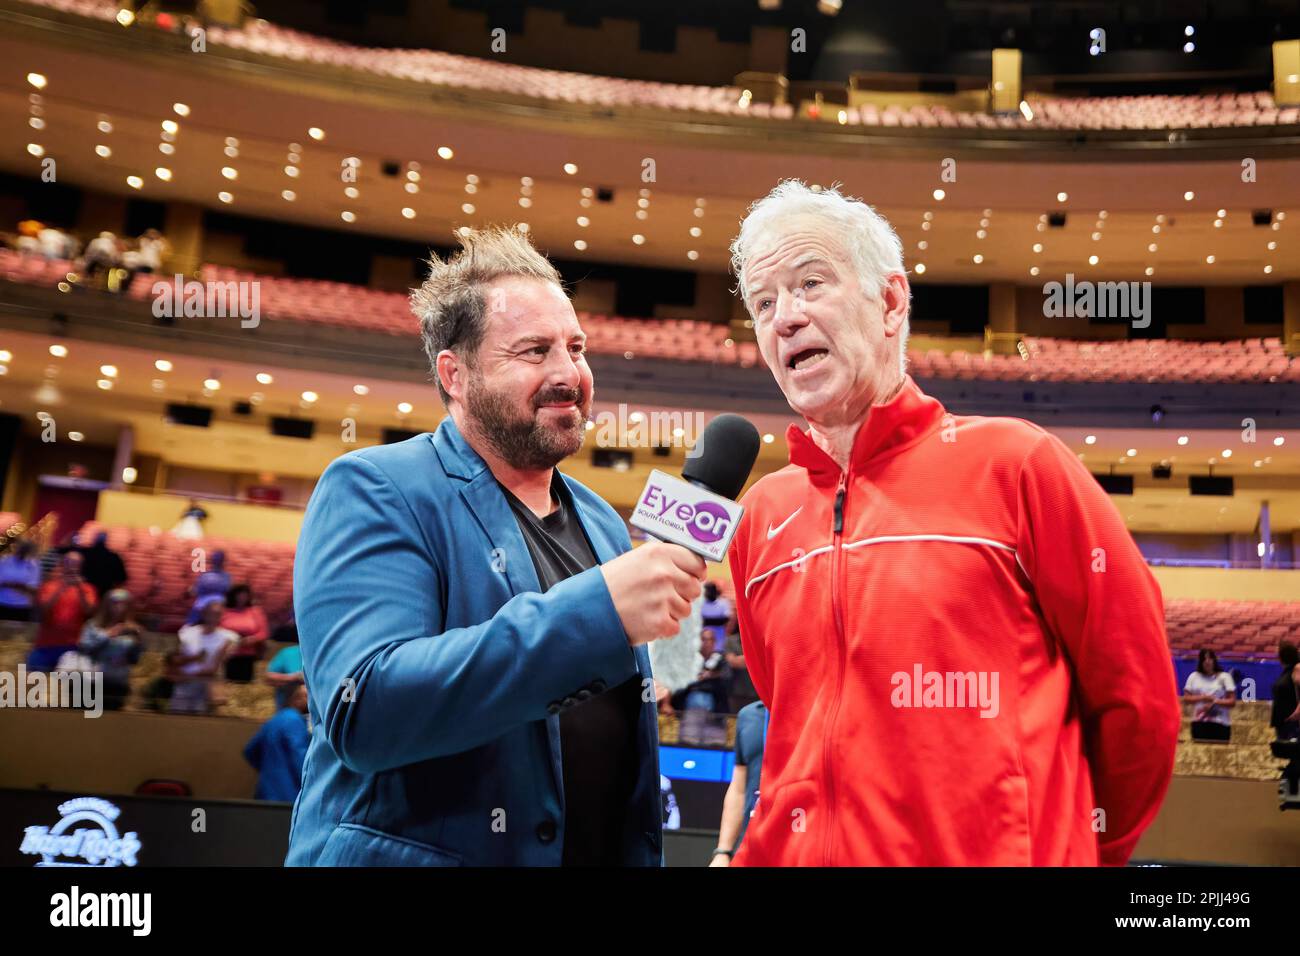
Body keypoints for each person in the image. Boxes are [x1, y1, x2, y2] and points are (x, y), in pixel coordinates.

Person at [724, 180, 1180, 866]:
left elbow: (1137, 700)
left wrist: (1083, 847)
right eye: (763, 303)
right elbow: (785, 715)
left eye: (811, 283)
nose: (784, 317)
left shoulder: (1020, 466)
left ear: (889, 301)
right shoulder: (761, 517)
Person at [287, 225, 705, 867]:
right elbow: (365, 709)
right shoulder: (375, 487)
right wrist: (598, 611)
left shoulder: (601, 522)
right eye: (534, 351)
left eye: (576, 347)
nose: (569, 374)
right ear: (455, 374)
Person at [711, 699, 767, 867]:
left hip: (795, 840)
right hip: (750, 844)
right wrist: (723, 851)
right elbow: (738, 788)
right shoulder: (749, 715)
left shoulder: (810, 712)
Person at [30, 552, 98, 672]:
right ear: (62, 564)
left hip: (73, 646)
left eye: (76, 564)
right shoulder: (48, 586)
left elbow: (89, 611)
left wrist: (80, 588)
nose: (72, 567)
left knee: (68, 684)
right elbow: (43, 609)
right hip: (45, 644)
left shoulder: (87, 588)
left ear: (80, 567)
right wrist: (61, 587)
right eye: (68, 563)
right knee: (32, 678)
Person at [244, 683, 311, 802]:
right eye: (306, 696)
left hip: (265, 792)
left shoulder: (274, 720)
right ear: (295, 698)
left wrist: (268, 769)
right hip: (288, 794)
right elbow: (300, 760)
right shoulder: (295, 721)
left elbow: (249, 751)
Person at [77, 589, 142, 711]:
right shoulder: (92, 626)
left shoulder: (132, 630)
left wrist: (138, 644)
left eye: (124, 604)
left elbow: (134, 660)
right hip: (91, 680)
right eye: (115, 603)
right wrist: (108, 635)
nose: (119, 607)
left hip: (116, 682)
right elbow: (84, 649)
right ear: (107, 604)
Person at [169, 599, 237, 715]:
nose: (214, 617)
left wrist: (186, 675)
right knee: (177, 717)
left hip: (205, 688)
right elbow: (174, 660)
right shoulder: (186, 632)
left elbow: (214, 669)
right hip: (183, 686)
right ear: (204, 614)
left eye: (218, 614)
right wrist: (194, 658)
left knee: (200, 721)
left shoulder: (229, 637)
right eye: (211, 613)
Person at [1183, 648, 1236, 742]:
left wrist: (1214, 701)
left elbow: (1232, 702)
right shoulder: (1193, 676)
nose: (1207, 662)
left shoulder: (1225, 677)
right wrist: (1203, 698)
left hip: (1221, 724)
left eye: (1210, 659)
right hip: (1199, 723)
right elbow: (1187, 699)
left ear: (1214, 660)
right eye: (1204, 659)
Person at [220, 584, 269, 682]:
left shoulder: (255, 611)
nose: (242, 598)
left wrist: (252, 639)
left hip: (248, 654)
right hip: (229, 654)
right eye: (239, 595)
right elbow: (219, 630)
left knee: (245, 683)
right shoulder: (225, 612)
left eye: (244, 595)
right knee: (228, 683)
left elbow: (263, 633)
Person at [0, 540, 42, 627]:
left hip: (22, 606)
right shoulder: (4, 561)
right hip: (2, 603)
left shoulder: (33, 565)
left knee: (17, 635)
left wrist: (15, 585)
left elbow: (34, 589)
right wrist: (14, 585)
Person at [76, 532, 128, 600]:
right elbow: (122, 577)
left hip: (86, 590)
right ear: (106, 540)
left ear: (95, 539)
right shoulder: (113, 556)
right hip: (105, 592)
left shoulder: (85, 552)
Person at [265, 625, 305, 711]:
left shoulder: (322, 656)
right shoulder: (288, 653)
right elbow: (269, 677)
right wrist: (293, 677)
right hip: (287, 704)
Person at [184, 549, 229, 624]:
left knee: (210, 607)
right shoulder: (205, 575)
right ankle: (192, 626)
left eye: (219, 560)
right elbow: (197, 590)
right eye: (216, 559)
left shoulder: (225, 576)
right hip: (204, 601)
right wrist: (192, 591)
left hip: (216, 602)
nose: (217, 562)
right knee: (199, 607)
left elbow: (226, 590)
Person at [1272, 642, 1300, 740]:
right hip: (1283, 722)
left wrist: (1298, 711)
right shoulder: (1286, 672)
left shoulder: (1297, 669)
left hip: (1294, 723)